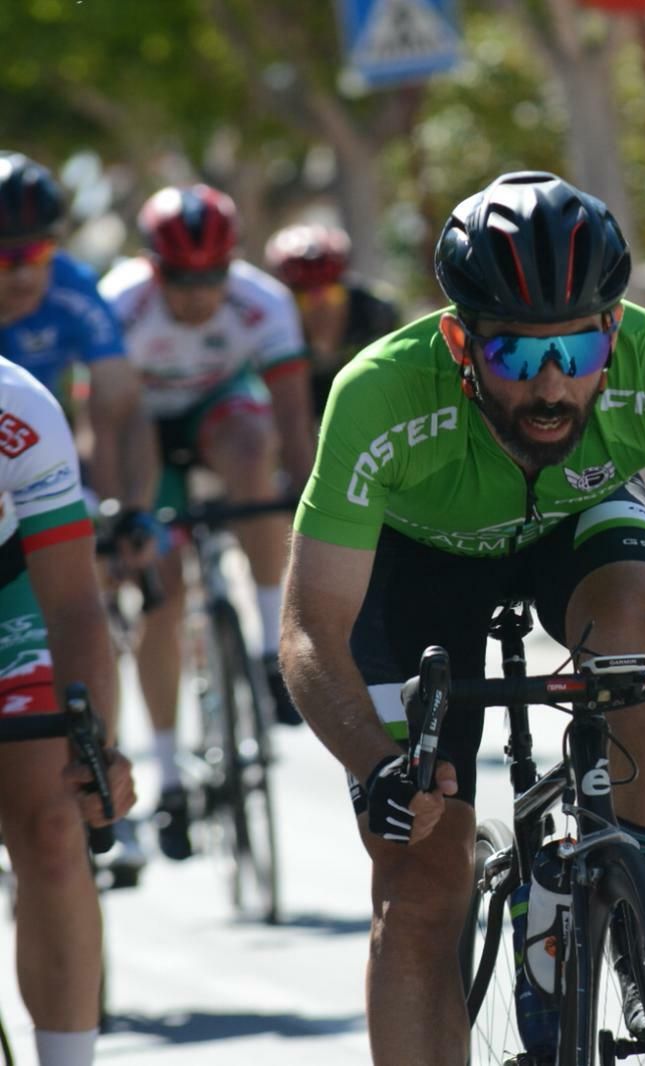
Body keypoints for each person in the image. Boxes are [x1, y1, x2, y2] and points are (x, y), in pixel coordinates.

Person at [280, 171, 645, 1063]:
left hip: (571, 521)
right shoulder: (377, 395)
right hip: (415, 561)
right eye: (515, 358)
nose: (551, 388)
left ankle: (643, 908)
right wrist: (373, 762)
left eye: (578, 356)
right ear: (459, 342)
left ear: (613, 333)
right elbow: (312, 624)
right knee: (420, 874)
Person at [99, 183, 314, 861]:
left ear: (234, 265)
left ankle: (269, 646)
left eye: (213, 276)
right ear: (152, 267)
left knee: (255, 454)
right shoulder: (119, 306)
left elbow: (293, 421)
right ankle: (167, 775)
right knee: (162, 589)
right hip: (142, 427)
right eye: (181, 279)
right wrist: (121, 521)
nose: (198, 294)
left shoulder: (265, 303)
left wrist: (308, 503)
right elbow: (107, 428)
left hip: (220, 409)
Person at [0, 151, 156, 882]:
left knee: (81, 596)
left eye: (37, 253)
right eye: (3, 257)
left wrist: (114, 508)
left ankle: (98, 772)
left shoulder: (74, 289)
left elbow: (113, 400)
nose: (21, 272)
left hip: (48, 462)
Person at [0, 353, 137, 1066]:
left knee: (55, 825)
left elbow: (75, 605)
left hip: (9, 600)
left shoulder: (16, 408)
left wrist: (99, 752)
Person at [264, 222, 400, 416]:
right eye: (304, 299)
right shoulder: (266, 331)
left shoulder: (376, 315)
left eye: (332, 294)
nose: (321, 308)